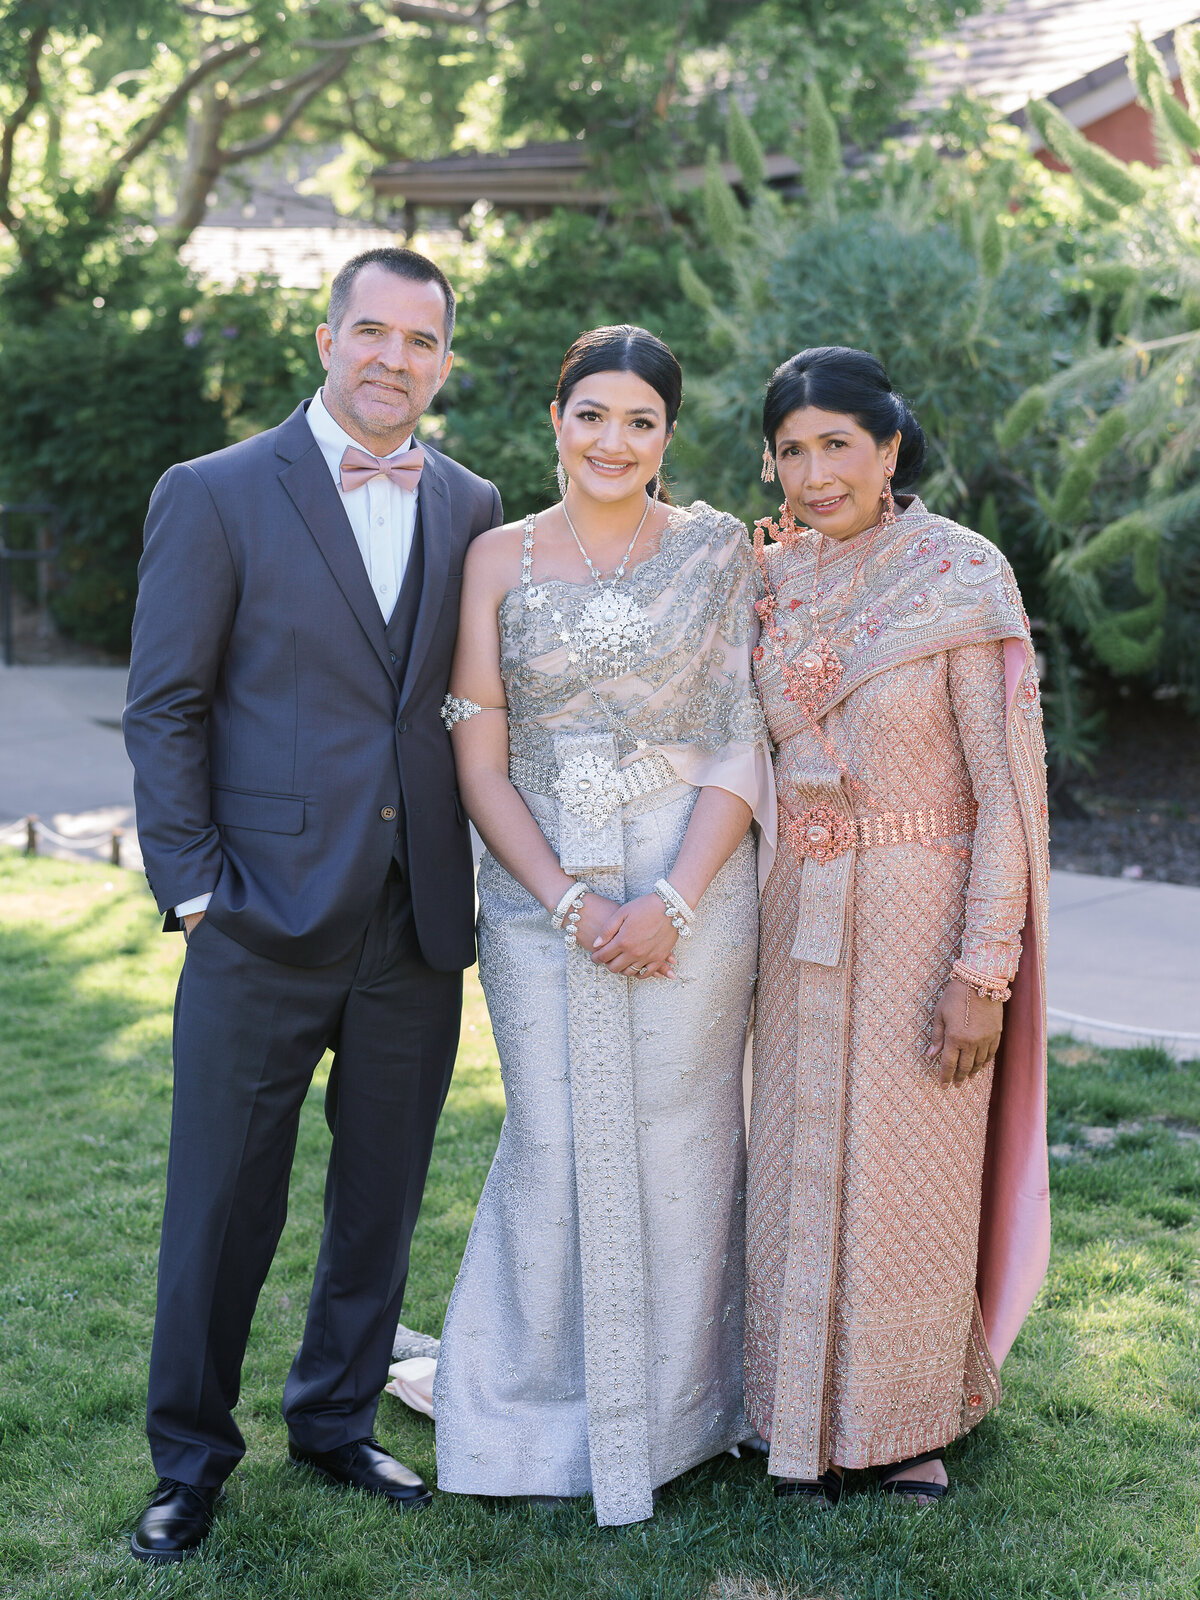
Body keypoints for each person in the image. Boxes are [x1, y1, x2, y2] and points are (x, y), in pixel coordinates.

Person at [122, 247, 502, 1562]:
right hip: (256, 917)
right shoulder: (215, 491)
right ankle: (189, 1459)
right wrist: (193, 891)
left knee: (380, 1197)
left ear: (444, 361)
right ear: (328, 338)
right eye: (374, 333)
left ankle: (336, 1419)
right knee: (222, 1203)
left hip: (414, 920)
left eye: (422, 341)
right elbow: (165, 704)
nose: (396, 359)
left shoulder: (472, 504)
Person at [431, 325, 775, 1527]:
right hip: (538, 887)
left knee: (685, 1138)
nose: (613, 441)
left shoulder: (719, 550)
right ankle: (528, 1415)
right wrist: (567, 899)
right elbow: (479, 759)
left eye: (640, 420)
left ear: (669, 434)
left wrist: (672, 897)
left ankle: (683, 1413)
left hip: (695, 878)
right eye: (592, 415)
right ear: (556, 419)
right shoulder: (497, 556)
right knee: (553, 1136)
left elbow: (743, 739)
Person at [745, 346, 1050, 1506]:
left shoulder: (960, 574)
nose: (815, 473)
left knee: (903, 1177)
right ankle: (790, 1415)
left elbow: (1005, 790)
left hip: (924, 918)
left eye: (838, 444)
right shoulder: (770, 582)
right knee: (792, 1167)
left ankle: (903, 1423)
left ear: (889, 448)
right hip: (792, 915)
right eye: (792, 450)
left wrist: (986, 967)